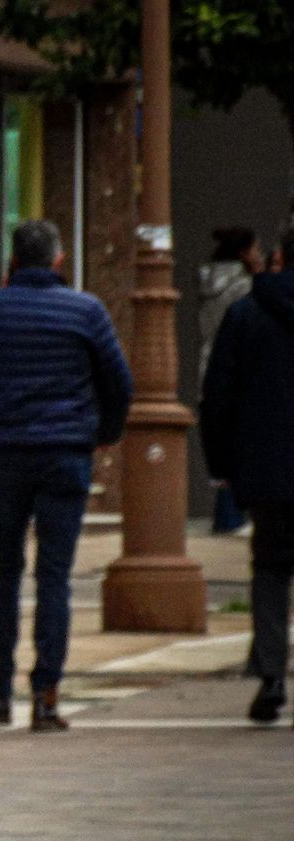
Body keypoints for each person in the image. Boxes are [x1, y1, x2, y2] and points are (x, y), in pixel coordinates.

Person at [0, 220, 132, 731]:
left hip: (5, 452)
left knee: (5, 574)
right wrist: (104, 431)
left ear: (12, 261)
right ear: (58, 260)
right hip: (65, 453)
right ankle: (47, 696)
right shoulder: (86, 310)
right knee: (54, 575)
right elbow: (118, 381)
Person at [201, 222, 294, 725]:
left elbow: (217, 397)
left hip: (269, 468)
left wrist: (222, 465)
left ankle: (271, 673)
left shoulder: (245, 315)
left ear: (278, 259)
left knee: (272, 568)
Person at [198, 226, 263, 535]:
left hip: (207, 367)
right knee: (240, 442)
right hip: (237, 372)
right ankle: (231, 516)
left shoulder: (207, 281)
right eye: (255, 249)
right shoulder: (245, 288)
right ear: (243, 253)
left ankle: (225, 513)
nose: (259, 256)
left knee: (220, 441)